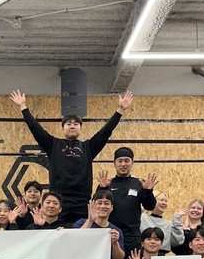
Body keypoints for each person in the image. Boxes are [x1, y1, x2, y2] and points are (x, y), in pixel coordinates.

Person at [10, 88, 133, 224]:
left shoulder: (88, 147)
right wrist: (23, 107)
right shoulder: (53, 144)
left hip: (82, 201)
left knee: (83, 232)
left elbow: (105, 132)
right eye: (68, 124)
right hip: (59, 200)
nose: (72, 126)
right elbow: (35, 128)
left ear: (80, 128)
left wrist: (120, 110)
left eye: (76, 124)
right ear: (63, 128)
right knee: (56, 232)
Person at [96, 146, 157, 255]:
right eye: (120, 161)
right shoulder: (108, 183)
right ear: (114, 163)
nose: (123, 164)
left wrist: (148, 191)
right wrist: (101, 188)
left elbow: (150, 206)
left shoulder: (139, 183)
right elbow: (96, 206)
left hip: (132, 236)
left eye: (127, 161)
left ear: (132, 163)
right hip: (110, 233)